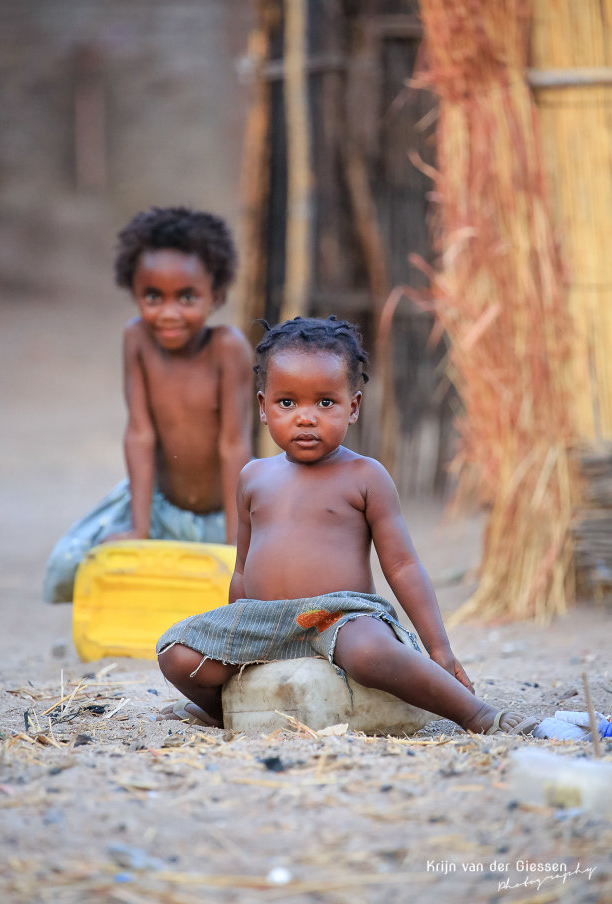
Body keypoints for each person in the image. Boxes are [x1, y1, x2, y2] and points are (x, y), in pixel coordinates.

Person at [156, 316, 537, 737]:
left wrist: (439, 648)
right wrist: (235, 630)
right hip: (266, 620)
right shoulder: (253, 476)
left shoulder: (365, 475)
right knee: (177, 653)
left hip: (341, 617)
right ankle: (222, 709)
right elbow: (243, 568)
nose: (305, 418)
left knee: (371, 652)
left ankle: (475, 714)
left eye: (324, 403)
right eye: (287, 403)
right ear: (263, 407)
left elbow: (403, 566)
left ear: (352, 407)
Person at [44, 206, 253, 603]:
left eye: (187, 297)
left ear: (217, 296)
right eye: (153, 296)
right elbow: (139, 433)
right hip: (160, 510)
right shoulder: (136, 339)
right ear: (134, 292)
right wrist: (139, 530)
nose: (168, 313)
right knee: (69, 563)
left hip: (226, 515)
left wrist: (234, 543)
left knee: (271, 577)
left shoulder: (227, 347)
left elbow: (233, 444)